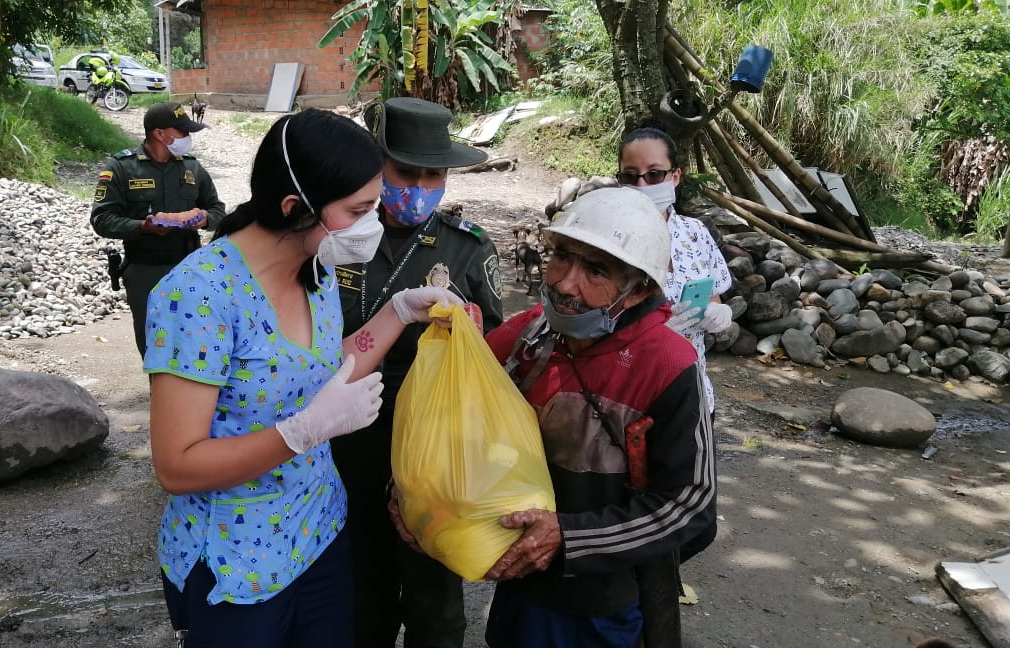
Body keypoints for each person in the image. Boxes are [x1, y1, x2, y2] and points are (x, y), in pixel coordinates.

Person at [142, 109, 461, 648]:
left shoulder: (315, 269)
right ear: (294, 207)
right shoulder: (198, 296)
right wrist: (301, 433)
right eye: (359, 210)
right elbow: (178, 466)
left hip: (318, 533)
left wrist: (399, 312)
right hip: (238, 559)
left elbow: (317, 369)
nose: (372, 224)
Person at [475, 187, 716, 648]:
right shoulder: (526, 336)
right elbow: (453, 418)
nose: (566, 284)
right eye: (563, 257)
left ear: (639, 289)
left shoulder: (668, 364)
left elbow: (691, 503)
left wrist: (569, 538)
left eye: (596, 270)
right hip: (519, 581)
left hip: (599, 603)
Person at [329, 97, 504, 648]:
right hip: (346, 438)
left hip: (433, 446)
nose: (421, 188)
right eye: (406, 173)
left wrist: (473, 332)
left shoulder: (467, 247)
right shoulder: (339, 237)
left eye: (435, 176)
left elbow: (495, 351)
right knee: (361, 586)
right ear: (377, 166)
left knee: (435, 595)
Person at [617, 123, 733, 563]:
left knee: (691, 520)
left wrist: (717, 314)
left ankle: (660, 582)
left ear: (675, 176)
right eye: (630, 176)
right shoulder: (607, 237)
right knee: (634, 512)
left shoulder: (695, 233)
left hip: (690, 392)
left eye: (654, 174)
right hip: (625, 395)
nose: (642, 185)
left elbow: (714, 295)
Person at [91, 101, 226, 358]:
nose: (187, 137)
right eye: (182, 132)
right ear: (159, 133)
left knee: (195, 342)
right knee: (154, 345)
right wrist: (143, 227)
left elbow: (218, 210)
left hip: (189, 269)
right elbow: (102, 219)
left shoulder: (192, 167)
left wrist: (204, 219)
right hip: (145, 271)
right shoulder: (122, 167)